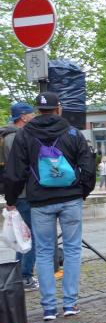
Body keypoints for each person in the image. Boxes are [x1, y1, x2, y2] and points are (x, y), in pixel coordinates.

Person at [5, 92, 96, 319]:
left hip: (40, 200)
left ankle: (48, 308)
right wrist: (82, 192)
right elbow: (88, 168)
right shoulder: (73, 133)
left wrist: (11, 200)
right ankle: (70, 304)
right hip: (70, 198)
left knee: (44, 252)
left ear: (38, 110)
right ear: (59, 108)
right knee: (72, 249)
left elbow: (15, 172)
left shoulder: (24, 135)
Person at [1, 102, 38, 291]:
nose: (34, 116)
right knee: (31, 236)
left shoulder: (6, 135)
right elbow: (19, 169)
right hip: (24, 193)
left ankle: (20, 275)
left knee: (23, 237)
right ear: (23, 117)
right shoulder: (17, 137)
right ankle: (25, 277)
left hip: (16, 193)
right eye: (32, 114)